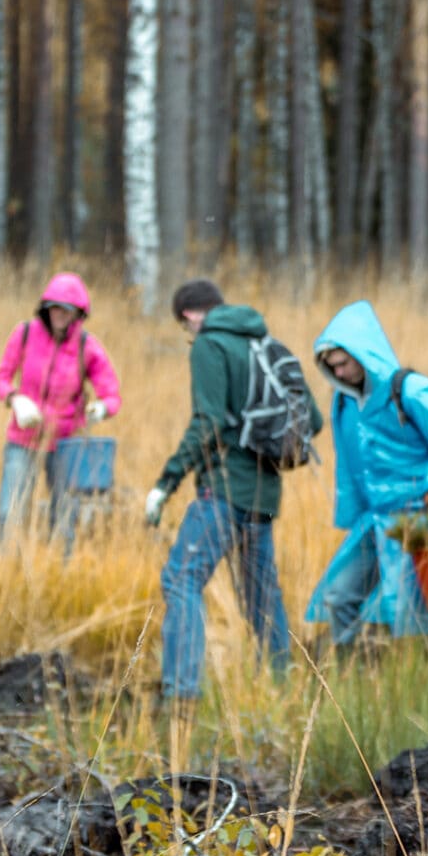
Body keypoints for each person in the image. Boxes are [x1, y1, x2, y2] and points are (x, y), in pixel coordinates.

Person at [145, 280, 318, 701]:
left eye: (185, 329)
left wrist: (165, 483)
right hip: (264, 495)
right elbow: (312, 418)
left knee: (181, 579)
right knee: (262, 595)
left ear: (189, 316)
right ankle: (283, 689)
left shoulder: (210, 345)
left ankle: (181, 694)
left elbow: (209, 423)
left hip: (222, 490)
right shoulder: (266, 344)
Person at [305, 302, 428, 649]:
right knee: (339, 596)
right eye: (331, 366)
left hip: (422, 519)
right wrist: (351, 514)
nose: (338, 372)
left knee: (420, 619)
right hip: (376, 520)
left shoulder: (412, 391)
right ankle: (350, 679)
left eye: (343, 362)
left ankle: (427, 688)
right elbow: (351, 464)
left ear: (363, 354)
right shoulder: (346, 402)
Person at [0, 271, 124, 546]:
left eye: (67, 310)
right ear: (45, 308)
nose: (59, 315)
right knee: (9, 513)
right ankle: (7, 570)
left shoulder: (87, 347)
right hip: (22, 439)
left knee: (63, 518)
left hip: (65, 444)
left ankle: (59, 571)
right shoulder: (25, 334)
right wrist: (15, 399)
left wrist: (101, 410)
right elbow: (1, 378)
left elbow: (112, 395)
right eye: (54, 308)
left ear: (79, 313)